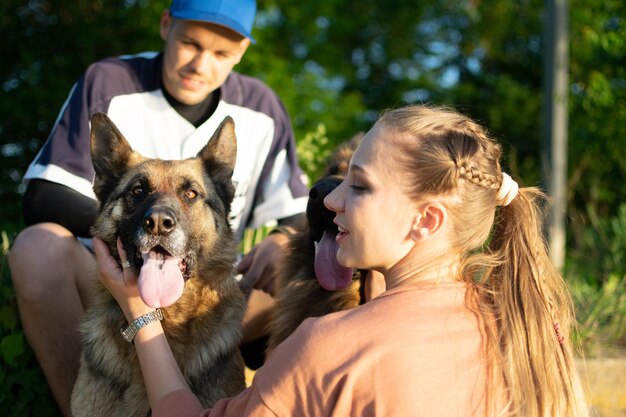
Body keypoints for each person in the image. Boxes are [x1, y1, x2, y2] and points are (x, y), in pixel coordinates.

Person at [96, 104, 590, 416]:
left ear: (427, 220)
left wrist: (139, 312)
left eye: (359, 186)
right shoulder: (534, 328)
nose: (329, 201)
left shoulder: (327, 349)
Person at [8, 1, 308, 415]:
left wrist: (281, 238)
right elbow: (44, 193)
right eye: (190, 43)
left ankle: (263, 400)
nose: (200, 64)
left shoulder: (263, 108)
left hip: (216, 290)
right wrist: (133, 238)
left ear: (241, 52)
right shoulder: (110, 80)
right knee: (35, 247)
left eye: (221, 53)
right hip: (109, 276)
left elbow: (296, 214)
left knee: (314, 275)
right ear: (166, 25)